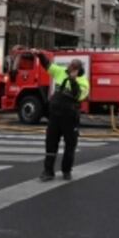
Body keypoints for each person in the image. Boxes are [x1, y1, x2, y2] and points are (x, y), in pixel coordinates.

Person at [37, 53, 89, 181]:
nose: (70, 68)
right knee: (50, 143)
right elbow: (48, 65)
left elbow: (78, 96)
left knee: (70, 144)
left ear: (78, 69)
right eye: (70, 65)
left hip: (70, 118)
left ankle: (66, 170)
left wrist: (73, 80)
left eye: (74, 67)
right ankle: (48, 171)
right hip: (55, 116)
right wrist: (40, 55)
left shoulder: (83, 82)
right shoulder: (61, 72)